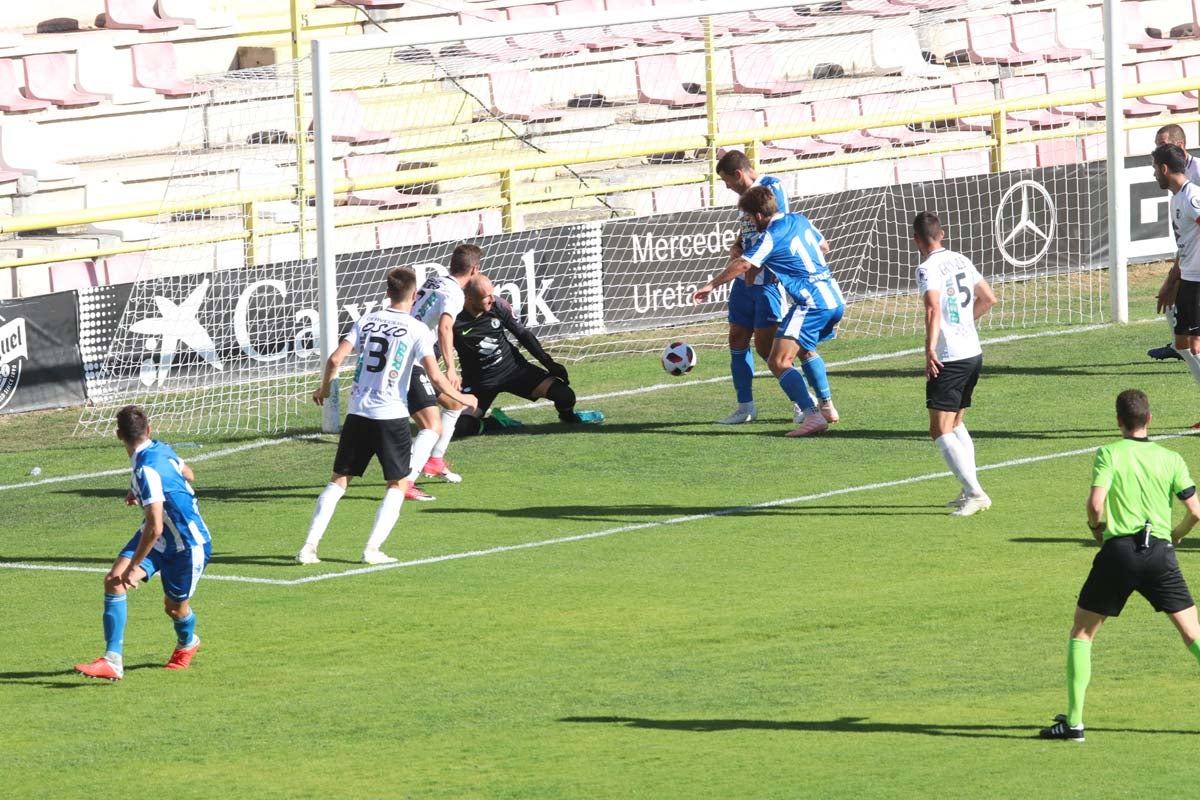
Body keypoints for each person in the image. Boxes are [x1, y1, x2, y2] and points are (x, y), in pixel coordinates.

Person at [1039, 389, 1200, 742]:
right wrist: (1175, 536)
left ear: (1118, 422)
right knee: (1192, 635)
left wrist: (1096, 530)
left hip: (1119, 553)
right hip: (1159, 553)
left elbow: (1096, 505)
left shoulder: (1109, 454)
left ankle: (1074, 723)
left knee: (1083, 633)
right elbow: (1196, 512)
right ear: (1149, 419)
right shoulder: (1171, 458)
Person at [296, 267, 476, 566]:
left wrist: (325, 389)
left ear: (387, 292)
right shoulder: (417, 329)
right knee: (397, 484)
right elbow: (435, 376)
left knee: (338, 481)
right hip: (391, 416)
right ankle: (371, 549)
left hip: (358, 413)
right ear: (414, 295)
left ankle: (308, 547)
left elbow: (335, 359)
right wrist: (462, 398)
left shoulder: (366, 320)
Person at [690, 185, 844, 437]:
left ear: (759, 215)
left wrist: (711, 285)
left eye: (750, 218)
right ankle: (826, 407)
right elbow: (823, 245)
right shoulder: (800, 219)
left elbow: (743, 264)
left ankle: (810, 413)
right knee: (803, 349)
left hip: (810, 303)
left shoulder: (771, 236)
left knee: (778, 360)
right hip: (834, 298)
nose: (750, 223)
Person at [74, 405, 213, 681]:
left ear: (118, 435)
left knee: (174, 608)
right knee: (114, 581)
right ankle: (112, 661)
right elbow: (188, 474)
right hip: (161, 538)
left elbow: (155, 526)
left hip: (187, 545)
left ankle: (188, 643)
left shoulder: (146, 469)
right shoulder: (161, 449)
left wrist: (133, 567)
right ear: (148, 430)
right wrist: (138, 490)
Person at [913, 211, 997, 517]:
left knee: (939, 430)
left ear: (916, 240)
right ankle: (968, 488)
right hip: (973, 352)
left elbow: (933, 308)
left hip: (950, 357)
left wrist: (930, 348)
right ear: (942, 234)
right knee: (956, 423)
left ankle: (975, 493)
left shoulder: (927, 268)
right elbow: (988, 298)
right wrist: (963, 323)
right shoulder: (961, 259)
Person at [451, 274, 603, 435]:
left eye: (492, 294)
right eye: (486, 297)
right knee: (460, 427)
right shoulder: (453, 319)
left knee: (565, 396)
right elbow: (436, 352)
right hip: (480, 382)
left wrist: (549, 363)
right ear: (469, 299)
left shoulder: (497, 306)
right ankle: (496, 422)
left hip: (514, 370)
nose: (492, 299)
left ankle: (569, 418)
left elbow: (522, 334)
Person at [712, 150, 797, 425]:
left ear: (739, 174)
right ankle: (745, 407)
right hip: (743, 280)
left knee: (767, 349)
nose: (727, 187)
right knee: (736, 338)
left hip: (766, 280)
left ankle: (802, 402)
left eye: (727, 181)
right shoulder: (745, 198)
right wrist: (738, 244)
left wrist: (761, 268)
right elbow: (750, 225)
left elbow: (779, 228)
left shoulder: (773, 187)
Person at [401, 244, 482, 501]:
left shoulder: (435, 281)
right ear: (474, 269)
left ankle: (434, 461)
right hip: (411, 361)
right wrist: (451, 368)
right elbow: (445, 328)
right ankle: (406, 482)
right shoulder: (455, 293)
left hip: (412, 355)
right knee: (431, 425)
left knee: (453, 404)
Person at [1152, 143, 1200, 418]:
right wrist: (1171, 281)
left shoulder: (1192, 198)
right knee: (1181, 344)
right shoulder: (1177, 199)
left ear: (1164, 168)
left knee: (1194, 345)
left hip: (1198, 281)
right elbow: (1185, 246)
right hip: (1189, 279)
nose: (1153, 175)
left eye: (1154, 169)